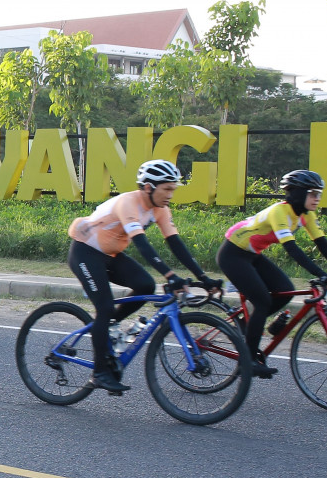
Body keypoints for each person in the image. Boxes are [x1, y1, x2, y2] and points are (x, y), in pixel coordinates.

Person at [67, 159, 220, 394]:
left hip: (111, 253)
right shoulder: (128, 203)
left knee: (146, 285)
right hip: (85, 252)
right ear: (148, 187)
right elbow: (142, 245)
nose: (170, 194)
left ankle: (108, 327)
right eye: (166, 189)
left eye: (173, 189)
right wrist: (170, 275)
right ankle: (99, 373)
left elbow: (176, 244)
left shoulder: (160, 208)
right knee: (104, 307)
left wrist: (203, 276)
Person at [218, 169, 327, 378]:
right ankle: (249, 361)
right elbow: (292, 249)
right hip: (233, 254)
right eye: (313, 193)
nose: (317, 198)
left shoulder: (306, 215)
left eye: (319, 193)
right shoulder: (279, 212)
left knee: (286, 290)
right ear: (298, 193)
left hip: (252, 254)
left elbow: (323, 245)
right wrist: (320, 274)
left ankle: (247, 324)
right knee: (263, 301)